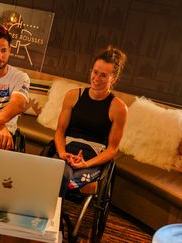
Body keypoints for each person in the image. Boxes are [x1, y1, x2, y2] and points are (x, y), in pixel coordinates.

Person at [54, 46, 128, 196]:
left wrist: (85, 163)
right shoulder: (73, 96)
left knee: (63, 179)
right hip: (67, 151)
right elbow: (60, 131)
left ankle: (57, 208)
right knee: (63, 175)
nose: (96, 79)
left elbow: (112, 149)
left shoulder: (119, 108)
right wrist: (62, 153)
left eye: (103, 75)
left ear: (113, 79)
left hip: (93, 158)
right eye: (95, 72)